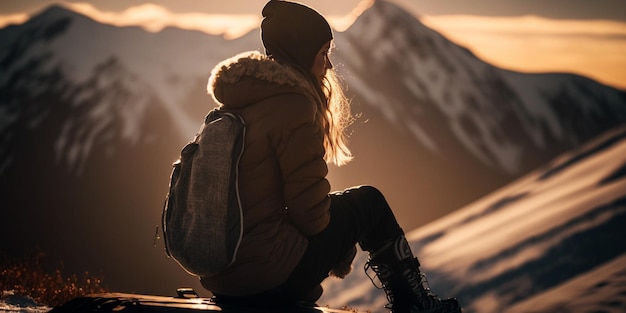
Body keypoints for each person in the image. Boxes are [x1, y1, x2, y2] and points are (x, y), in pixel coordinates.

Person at [200, 1, 462, 312]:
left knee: (349, 209)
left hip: (225, 279)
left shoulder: (236, 104)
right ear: (302, 53)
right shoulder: (293, 106)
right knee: (370, 204)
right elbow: (311, 216)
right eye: (324, 53)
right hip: (265, 276)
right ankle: (417, 306)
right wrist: (342, 238)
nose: (329, 65)